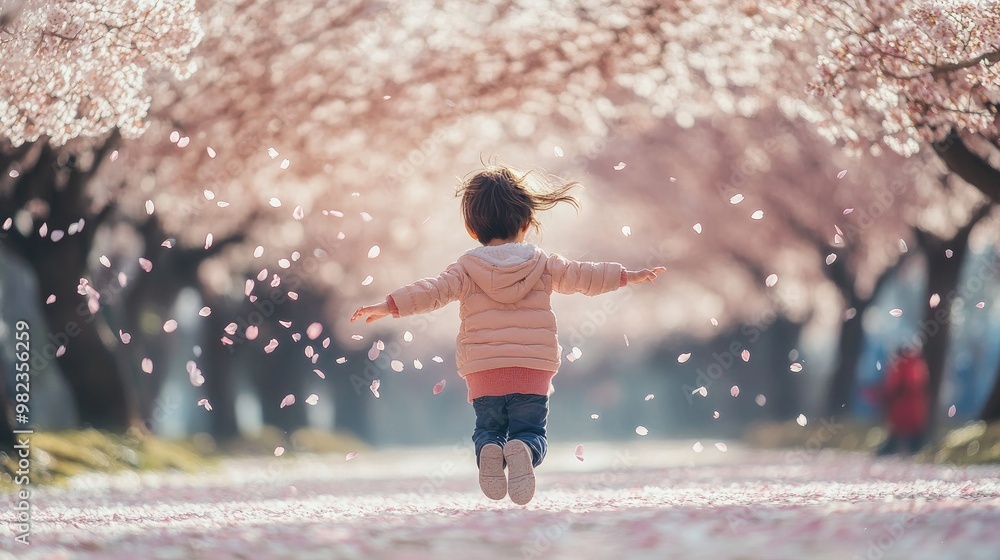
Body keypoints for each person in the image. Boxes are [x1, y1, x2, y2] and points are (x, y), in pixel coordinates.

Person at [350, 162, 664, 505]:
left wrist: (388, 305)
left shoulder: (466, 268)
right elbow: (583, 276)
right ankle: (524, 449)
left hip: (484, 370)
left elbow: (432, 291)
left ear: (472, 229)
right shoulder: (544, 263)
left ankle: (489, 449)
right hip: (532, 367)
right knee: (531, 431)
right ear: (527, 224)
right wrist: (626, 276)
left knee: (488, 429)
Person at [876, 346, 930, 456]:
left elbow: (896, 383)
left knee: (902, 428)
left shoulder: (903, 362)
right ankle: (914, 450)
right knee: (910, 429)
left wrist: (890, 394)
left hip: (904, 402)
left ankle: (894, 449)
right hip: (912, 403)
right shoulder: (917, 362)